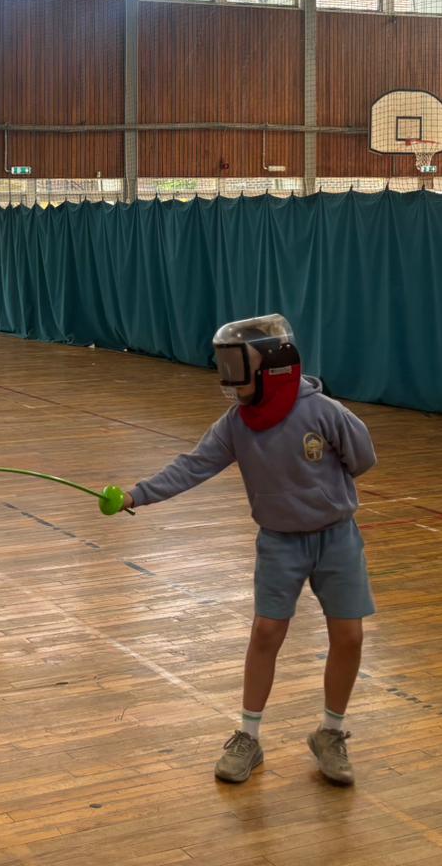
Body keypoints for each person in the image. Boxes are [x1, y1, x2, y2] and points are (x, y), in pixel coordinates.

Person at [117, 314, 376, 788]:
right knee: (267, 631)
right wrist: (137, 495)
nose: (229, 379)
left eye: (237, 367)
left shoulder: (325, 412)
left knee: (350, 636)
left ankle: (331, 733)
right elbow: (193, 466)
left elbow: (362, 458)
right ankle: (248, 737)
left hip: (337, 537)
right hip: (279, 541)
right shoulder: (237, 425)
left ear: (274, 367)